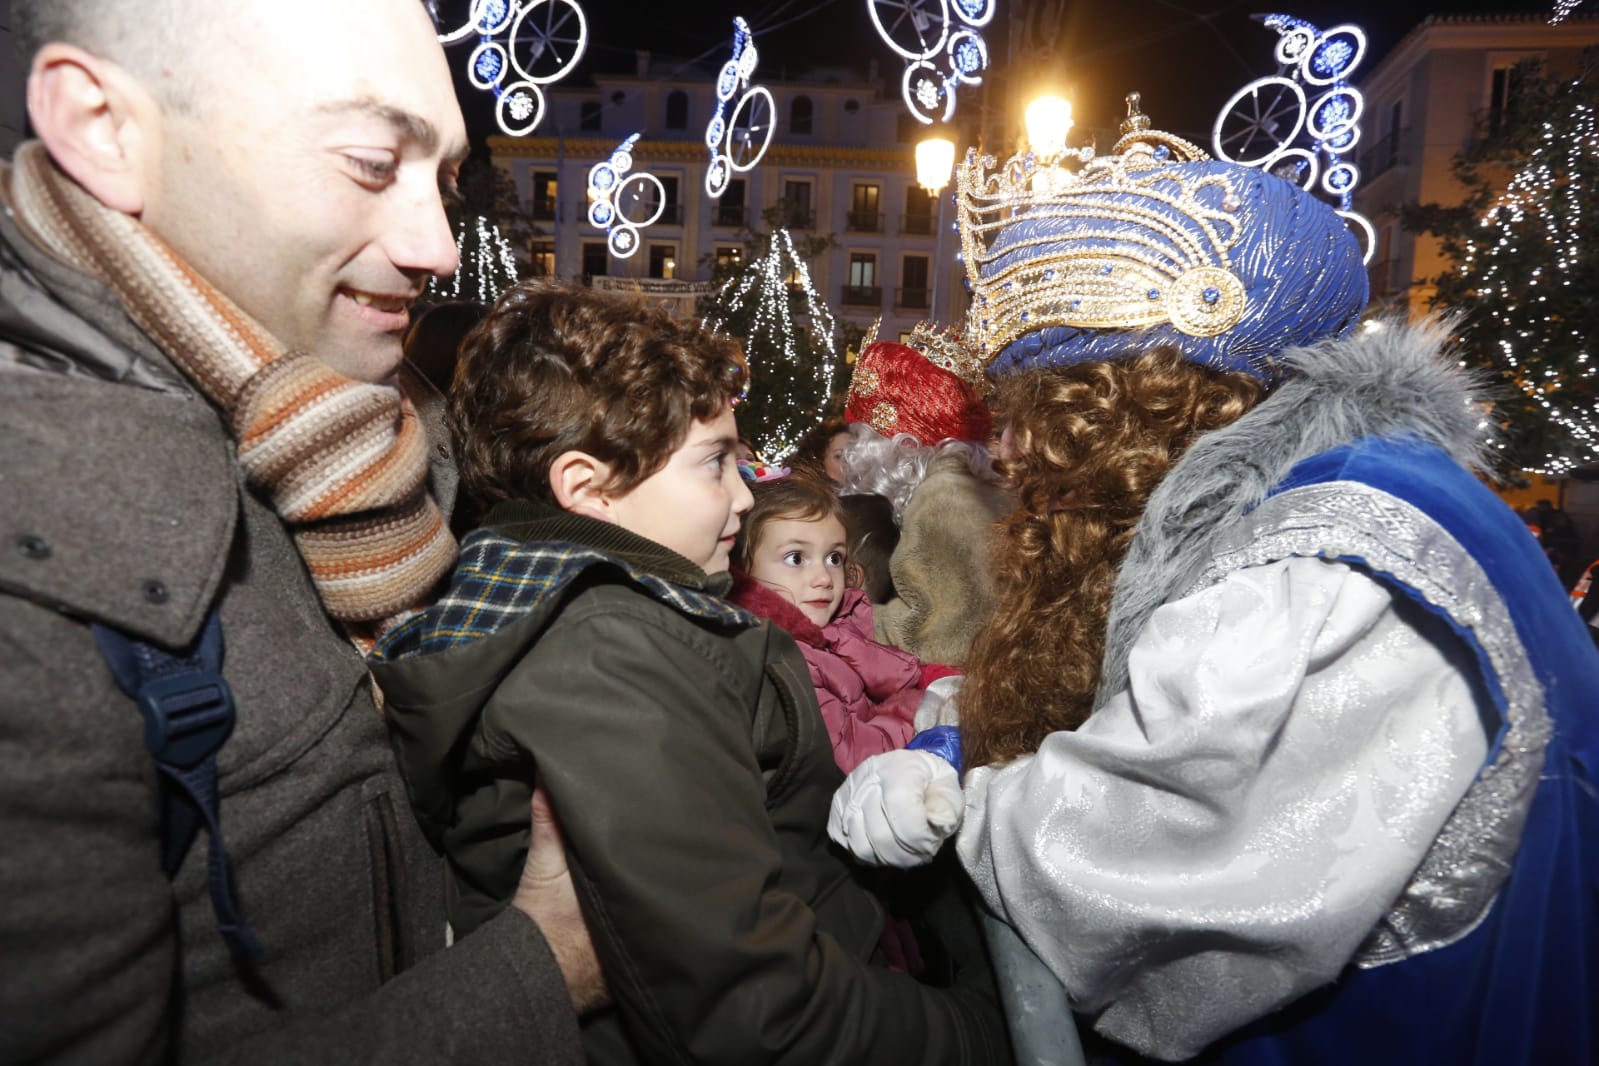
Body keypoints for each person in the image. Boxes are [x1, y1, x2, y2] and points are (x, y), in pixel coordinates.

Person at [830, 100, 1599, 1064]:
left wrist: (960, 788)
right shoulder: (1309, 502)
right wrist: (957, 732)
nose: (1012, 456)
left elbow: (1146, 836)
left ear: (1151, 409)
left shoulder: (1329, 560)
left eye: (1048, 419)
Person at [0, 2, 597, 1062]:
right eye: (372, 163)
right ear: (101, 125)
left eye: (446, 181)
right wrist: (539, 968)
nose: (438, 247)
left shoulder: (361, 440)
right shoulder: (37, 559)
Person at [367, 282, 1008, 1066]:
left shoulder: (608, 615)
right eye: (715, 466)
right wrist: (982, 1031)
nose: (744, 497)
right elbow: (757, 1009)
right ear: (587, 487)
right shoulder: (608, 655)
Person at [729, 475, 953, 774]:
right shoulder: (786, 660)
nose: (824, 578)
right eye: (796, 558)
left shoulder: (835, 628)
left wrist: (940, 681)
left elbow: (892, 673)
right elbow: (854, 759)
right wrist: (923, 711)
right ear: (745, 568)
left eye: (834, 558)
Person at [837, 323, 1012, 666]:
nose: (854, 449)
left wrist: (847, 618)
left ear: (896, 443)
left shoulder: (946, 498)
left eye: (862, 433)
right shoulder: (964, 487)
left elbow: (944, 635)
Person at [789, 416, 851, 484]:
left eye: (853, 455)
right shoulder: (800, 492)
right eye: (839, 456)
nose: (850, 463)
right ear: (819, 461)